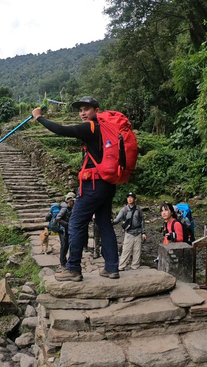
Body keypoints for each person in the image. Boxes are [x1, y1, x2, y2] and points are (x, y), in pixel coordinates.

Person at [32, 96, 120, 281]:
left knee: (76, 223)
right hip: (107, 183)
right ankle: (111, 268)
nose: (82, 113)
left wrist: (39, 117)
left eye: (86, 109)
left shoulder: (91, 127)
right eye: (80, 110)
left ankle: (73, 269)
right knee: (104, 224)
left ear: (96, 110)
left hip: (93, 184)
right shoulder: (105, 129)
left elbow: (62, 130)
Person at [113, 191, 146, 270]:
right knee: (126, 250)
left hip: (138, 232)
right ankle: (121, 266)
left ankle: (135, 265)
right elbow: (118, 219)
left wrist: (143, 232)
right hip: (129, 232)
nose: (129, 199)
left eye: (131, 197)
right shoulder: (124, 209)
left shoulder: (138, 209)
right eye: (128, 197)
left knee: (137, 250)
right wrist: (111, 222)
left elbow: (142, 221)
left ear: (134, 199)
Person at [56, 193, 76, 269]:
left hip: (66, 229)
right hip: (62, 230)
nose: (73, 202)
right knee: (64, 246)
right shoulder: (64, 208)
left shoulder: (69, 207)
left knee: (67, 245)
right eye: (72, 201)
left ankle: (65, 261)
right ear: (69, 201)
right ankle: (63, 262)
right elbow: (58, 218)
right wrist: (66, 224)